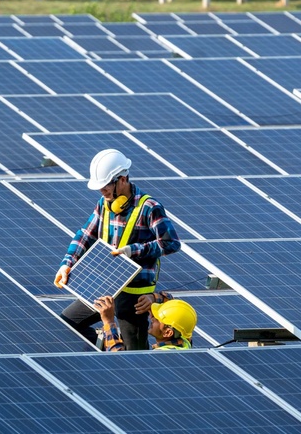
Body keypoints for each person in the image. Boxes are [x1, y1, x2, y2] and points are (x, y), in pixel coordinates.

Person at [54, 149, 181, 350]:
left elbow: (171, 243)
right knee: (67, 322)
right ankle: (107, 350)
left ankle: (117, 357)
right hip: (105, 288)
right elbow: (85, 235)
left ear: (121, 179)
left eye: (105, 187)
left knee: (133, 357)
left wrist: (133, 251)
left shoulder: (149, 207)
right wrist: (66, 264)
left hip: (134, 298)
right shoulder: (104, 205)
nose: (102, 192)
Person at [94, 295, 196, 351]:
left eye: (157, 319)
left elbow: (118, 360)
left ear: (168, 332)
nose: (151, 318)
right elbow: (172, 303)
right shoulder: (184, 341)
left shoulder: (161, 356)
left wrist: (108, 321)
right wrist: (152, 297)